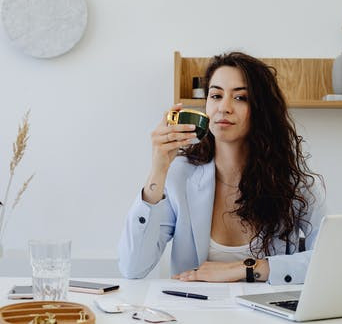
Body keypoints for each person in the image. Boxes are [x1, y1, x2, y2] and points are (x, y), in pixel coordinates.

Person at [118, 52, 326, 285]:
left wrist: (244, 269)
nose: (224, 107)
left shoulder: (293, 181)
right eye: (216, 95)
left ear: (261, 109)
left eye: (240, 98)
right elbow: (132, 268)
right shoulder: (180, 174)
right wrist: (158, 170)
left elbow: (328, 261)